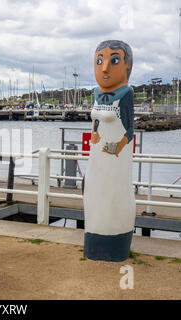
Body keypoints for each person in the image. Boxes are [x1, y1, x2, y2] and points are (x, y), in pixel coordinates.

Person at [83, 40, 136, 262]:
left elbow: (130, 128)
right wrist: (94, 133)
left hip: (115, 158)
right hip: (96, 157)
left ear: (127, 66)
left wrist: (119, 145)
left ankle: (116, 245)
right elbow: (96, 122)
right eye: (99, 61)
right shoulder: (96, 93)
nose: (104, 68)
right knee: (93, 193)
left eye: (114, 60)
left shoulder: (126, 94)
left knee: (115, 195)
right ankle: (93, 242)